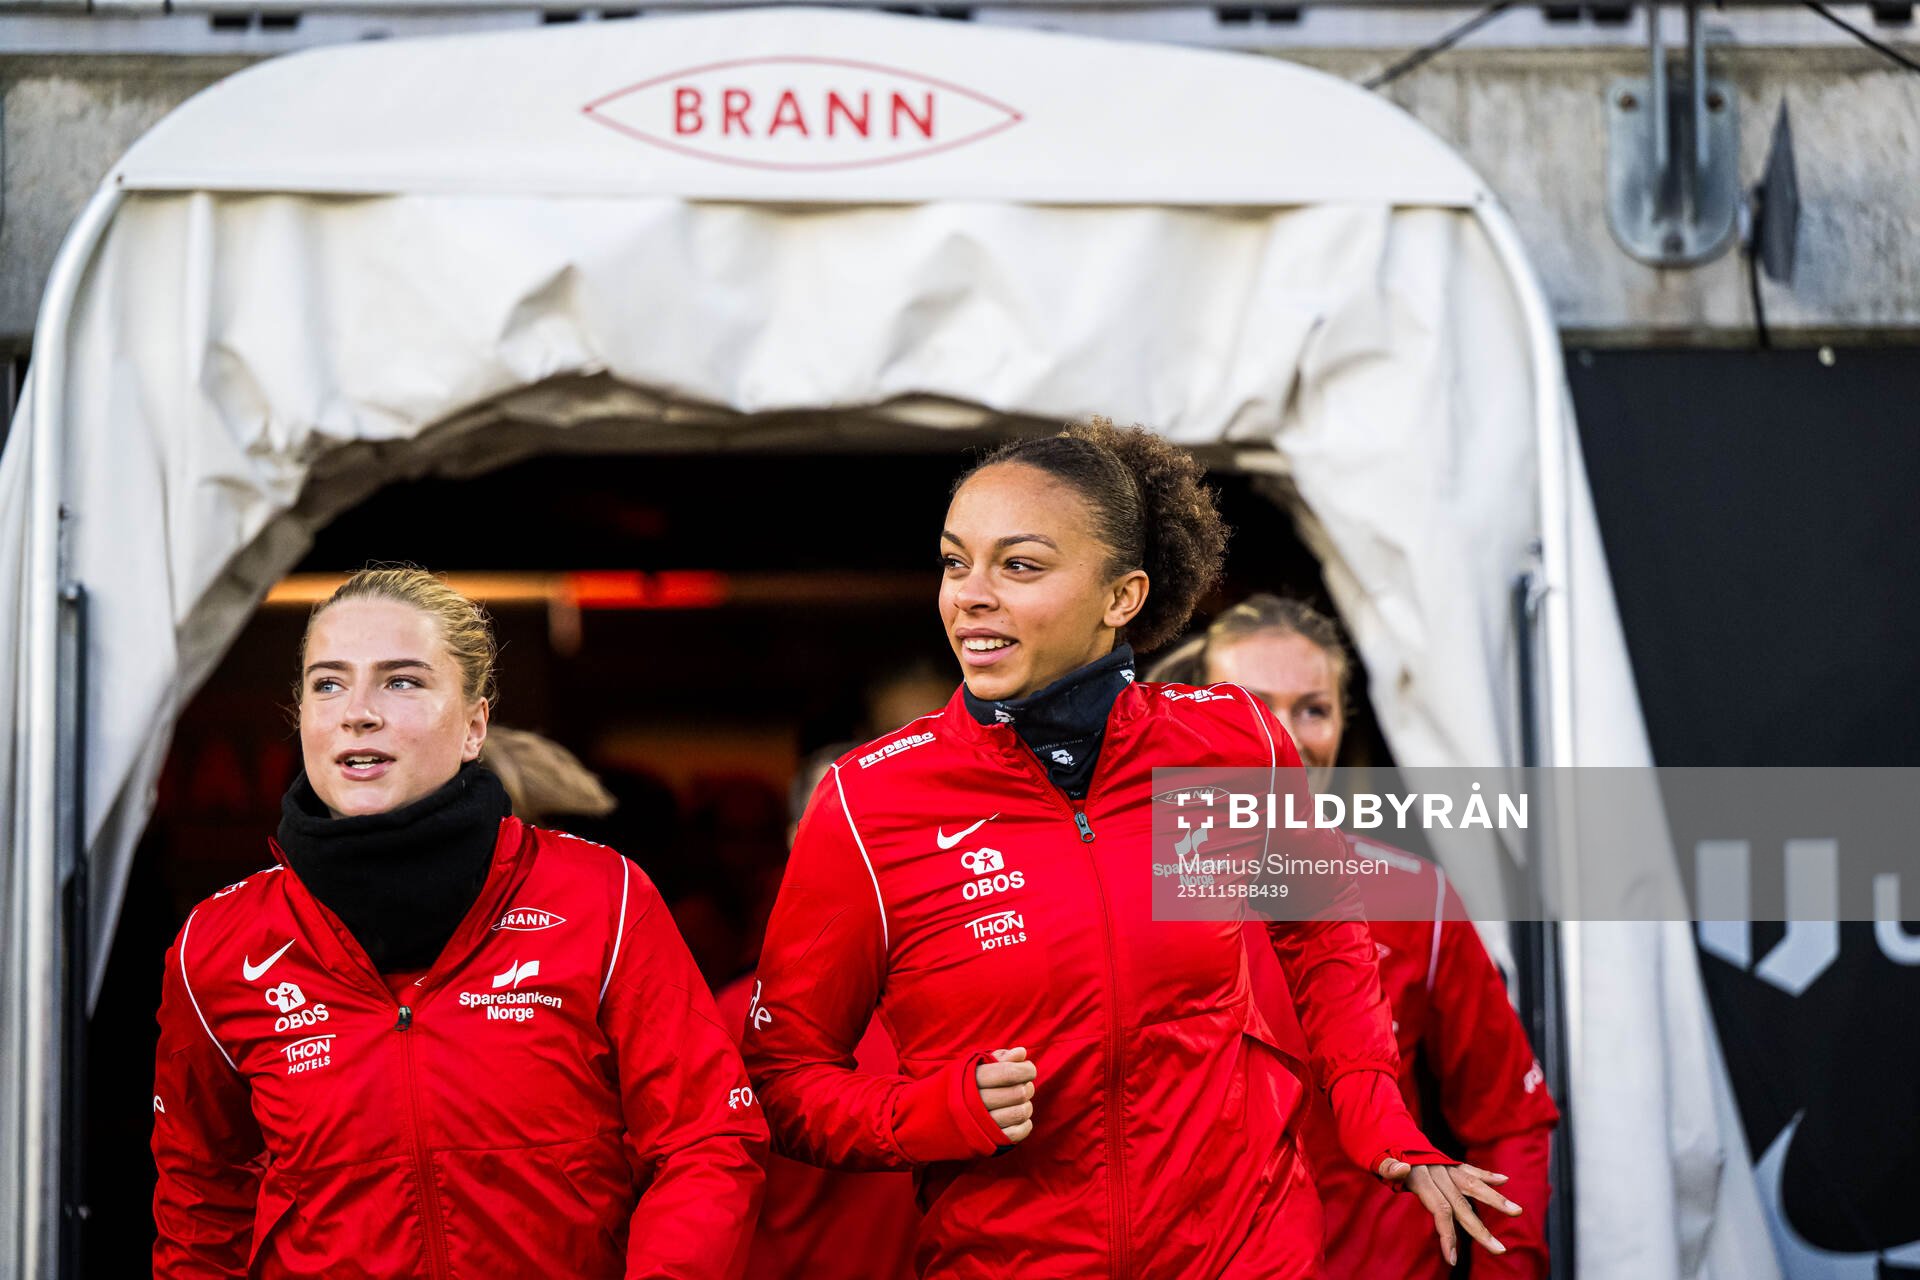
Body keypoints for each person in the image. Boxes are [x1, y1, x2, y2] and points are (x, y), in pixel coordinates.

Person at [742, 420, 1519, 1278]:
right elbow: (783, 1076)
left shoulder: (1231, 742)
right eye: (955, 561)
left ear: (1122, 598)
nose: (970, 594)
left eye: (1020, 565)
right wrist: (928, 1113)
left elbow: (1323, 925)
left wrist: (1374, 1112)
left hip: (1248, 1252)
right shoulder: (869, 799)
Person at [151, 566, 766, 1278]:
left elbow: (706, 1141)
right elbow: (200, 1204)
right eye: (328, 683)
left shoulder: (602, 898)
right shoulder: (219, 944)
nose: (357, 711)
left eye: (401, 681)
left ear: (475, 726)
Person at [1148, 593, 1560, 1280]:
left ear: (1343, 724)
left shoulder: (1414, 897)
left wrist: (1507, 1272)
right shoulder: (1127, 890)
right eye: (1251, 705)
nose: (1285, 735)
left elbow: (1508, 1119)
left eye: (1313, 708)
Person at [714, 744, 922, 1280]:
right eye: (845, 827)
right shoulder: (731, 1020)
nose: (877, 849)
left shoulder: (969, 998)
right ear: (794, 839)